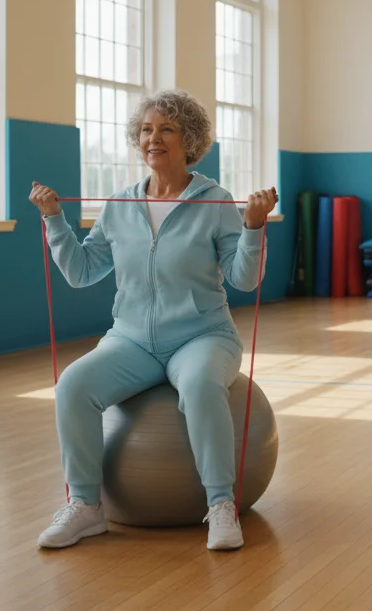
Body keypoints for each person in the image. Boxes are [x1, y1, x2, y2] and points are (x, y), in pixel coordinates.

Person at [29, 89, 276, 551]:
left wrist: (253, 227)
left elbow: (244, 280)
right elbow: (83, 272)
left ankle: (221, 505)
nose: (153, 138)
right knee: (73, 386)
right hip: (132, 340)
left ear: (191, 140)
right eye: (146, 129)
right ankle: (86, 506)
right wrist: (54, 221)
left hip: (203, 335)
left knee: (202, 385)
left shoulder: (215, 201)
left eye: (166, 129)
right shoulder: (120, 205)